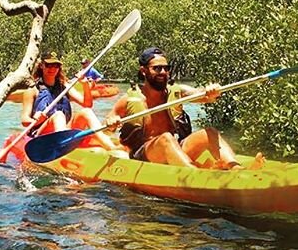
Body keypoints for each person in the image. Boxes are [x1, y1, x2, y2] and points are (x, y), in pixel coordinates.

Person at [105, 47, 264, 169]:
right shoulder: (129, 99)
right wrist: (111, 122)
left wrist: (211, 91)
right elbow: (107, 127)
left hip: (176, 146)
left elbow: (203, 96)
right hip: (144, 154)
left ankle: (235, 168)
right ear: (143, 71)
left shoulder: (177, 91)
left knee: (209, 133)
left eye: (166, 68)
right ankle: (194, 174)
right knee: (165, 138)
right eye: (157, 68)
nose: (163, 72)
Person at [21, 52, 120, 151]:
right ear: (42, 66)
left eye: (56, 65)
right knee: (59, 114)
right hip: (42, 135)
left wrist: (85, 85)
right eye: (49, 65)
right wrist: (36, 120)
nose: (52, 69)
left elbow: (87, 104)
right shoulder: (32, 90)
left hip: (63, 130)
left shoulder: (64, 86)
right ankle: (63, 147)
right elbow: (25, 121)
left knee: (86, 112)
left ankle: (110, 147)